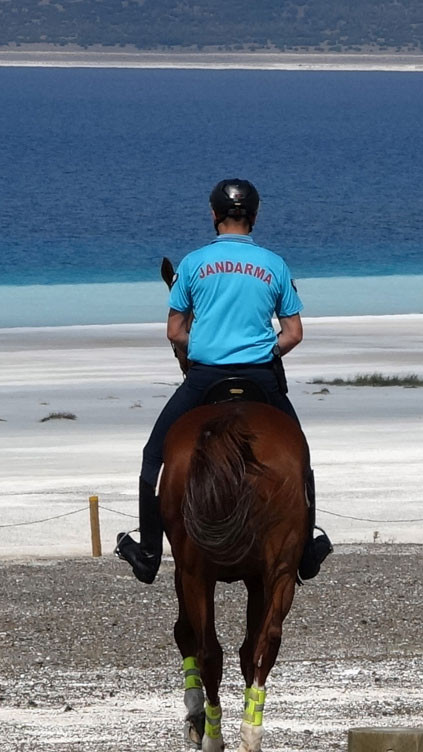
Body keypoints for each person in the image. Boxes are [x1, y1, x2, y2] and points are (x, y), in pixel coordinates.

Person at [116, 179, 331, 582]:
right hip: (261, 379)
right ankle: (304, 553)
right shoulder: (274, 265)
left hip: (205, 378)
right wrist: (264, 352)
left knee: (153, 455)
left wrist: (206, 345)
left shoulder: (194, 264)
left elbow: (175, 332)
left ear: (214, 215)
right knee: (299, 457)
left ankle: (147, 553)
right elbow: (294, 333)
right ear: (255, 216)